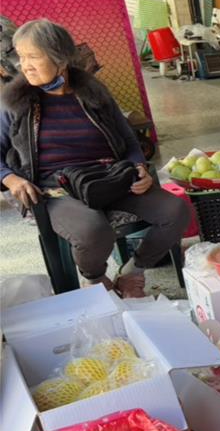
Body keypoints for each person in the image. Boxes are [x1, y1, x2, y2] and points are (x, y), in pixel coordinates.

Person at [0, 19, 189, 298]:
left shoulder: (92, 92)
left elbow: (128, 140)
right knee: (93, 231)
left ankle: (133, 270)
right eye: (21, 56)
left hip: (108, 177)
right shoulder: (15, 102)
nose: (24, 65)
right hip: (56, 188)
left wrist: (138, 166)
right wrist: (11, 179)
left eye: (33, 57)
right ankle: (96, 278)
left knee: (176, 211)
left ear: (61, 59)